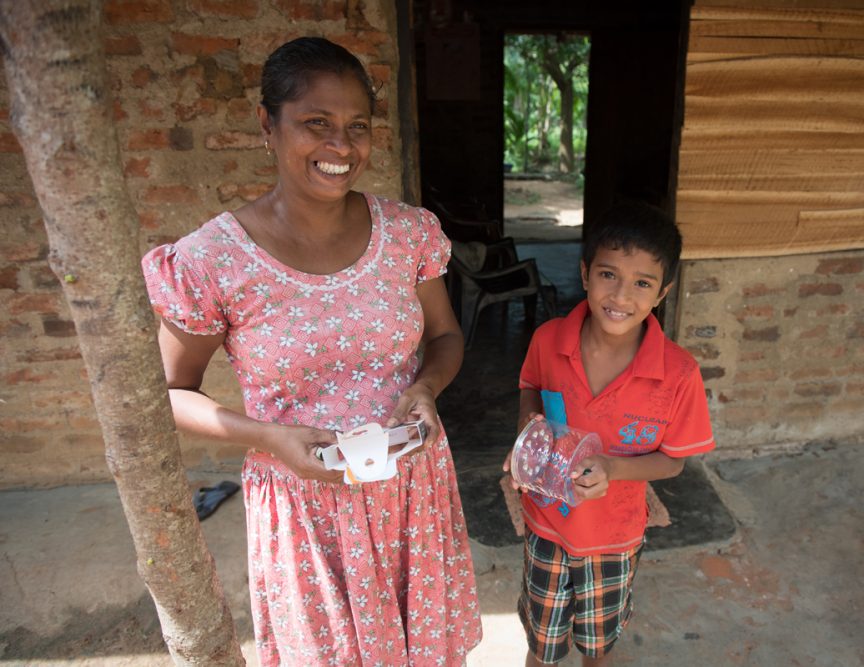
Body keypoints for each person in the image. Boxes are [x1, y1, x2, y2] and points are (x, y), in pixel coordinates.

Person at [142, 37, 481, 666]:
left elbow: (445, 337)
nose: (342, 148)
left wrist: (425, 388)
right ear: (267, 125)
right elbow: (167, 396)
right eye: (316, 124)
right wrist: (269, 436)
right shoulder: (212, 260)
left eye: (358, 127)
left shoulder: (408, 234)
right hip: (305, 512)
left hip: (412, 490)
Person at [503, 200, 715, 666]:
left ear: (663, 292)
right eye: (608, 275)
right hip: (546, 526)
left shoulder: (678, 374)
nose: (621, 296)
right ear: (584, 274)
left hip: (615, 538)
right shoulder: (548, 340)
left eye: (642, 282)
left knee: (598, 649)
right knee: (541, 647)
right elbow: (530, 388)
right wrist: (527, 429)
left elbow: (673, 459)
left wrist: (613, 467)